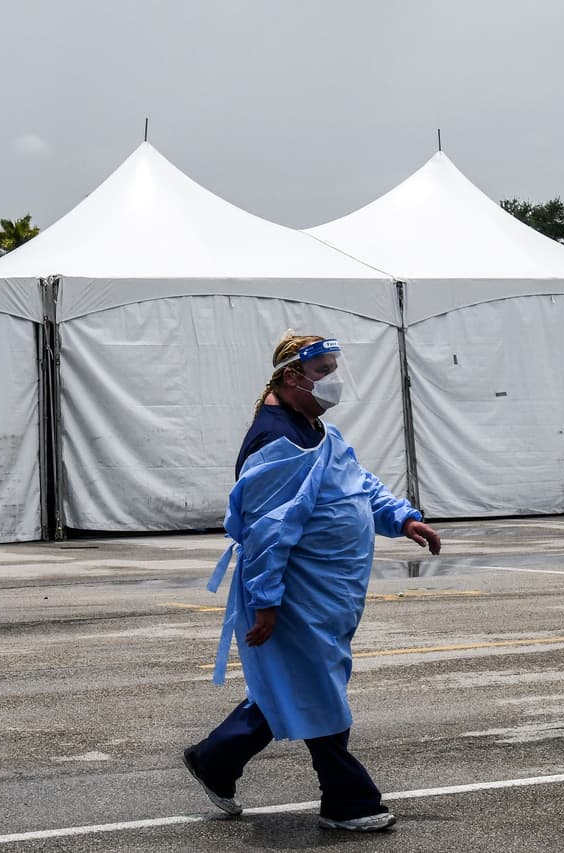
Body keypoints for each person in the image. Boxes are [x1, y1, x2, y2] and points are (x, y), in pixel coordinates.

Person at [183, 332, 441, 833]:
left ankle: (215, 758)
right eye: (322, 370)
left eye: (333, 367)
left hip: (329, 594)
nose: (332, 379)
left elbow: (357, 483)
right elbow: (266, 533)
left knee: (297, 683)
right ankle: (349, 800)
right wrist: (266, 603)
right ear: (290, 376)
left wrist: (402, 519)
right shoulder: (274, 439)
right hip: (297, 595)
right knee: (318, 688)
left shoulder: (314, 427)